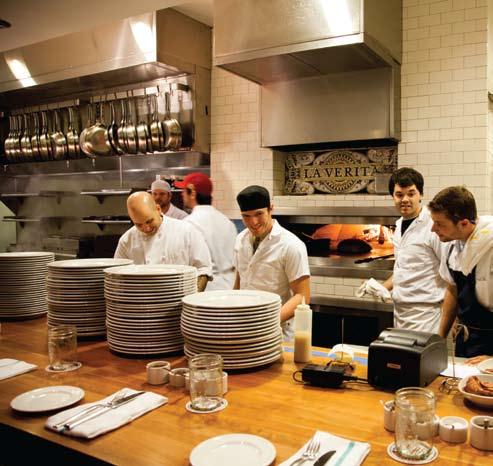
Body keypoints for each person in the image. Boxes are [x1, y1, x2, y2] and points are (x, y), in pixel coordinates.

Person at [234, 185, 310, 340]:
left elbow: (302, 296)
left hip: (278, 331)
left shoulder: (291, 245)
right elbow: (240, 281)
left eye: (259, 214)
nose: (253, 222)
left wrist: (267, 322)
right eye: (246, 216)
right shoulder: (240, 239)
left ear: (271, 209)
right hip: (245, 328)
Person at [381, 167, 449, 333]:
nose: (405, 199)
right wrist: (382, 287)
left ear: (421, 194)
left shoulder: (433, 226)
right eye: (399, 195)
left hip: (426, 315)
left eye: (411, 194)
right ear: (393, 196)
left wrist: (453, 318)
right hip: (400, 312)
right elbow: (404, 269)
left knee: (423, 351)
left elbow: (451, 273)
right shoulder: (398, 225)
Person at [428, 186, 493, 357]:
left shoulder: (490, 247)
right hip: (465, 338)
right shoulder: (452, 246)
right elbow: (453, 288)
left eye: (439, 224)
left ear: (463, 223)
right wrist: (440, 337)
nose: (433, 229)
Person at [114, 191, 212, 291]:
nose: (146, 228)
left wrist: (192, 297)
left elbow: (203, 270)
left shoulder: (186, 231)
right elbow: (117, 275)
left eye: (149, 221)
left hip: (181, 297)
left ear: (158, 209)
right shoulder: (126, 240)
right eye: (138, 224)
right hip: (140, 299)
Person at [175, 172, 237, 290]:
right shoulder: (227, 222)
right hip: (230, 285)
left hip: (206, 287)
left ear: (192, 193)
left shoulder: (188, 224)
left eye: (184, 191)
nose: (182, 194)